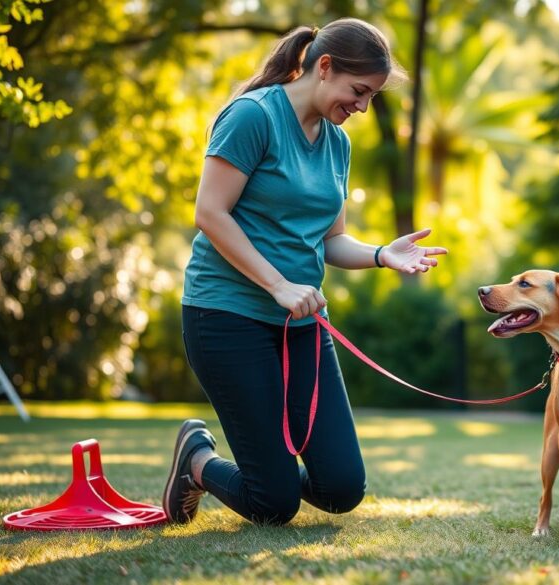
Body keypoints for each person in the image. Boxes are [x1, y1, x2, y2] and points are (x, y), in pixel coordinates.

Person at [163, 18, 447, 526]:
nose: (362, 107)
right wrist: (277, 284)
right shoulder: (253, 117)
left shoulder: (337, 143)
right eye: (359, 91)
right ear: (324, 67)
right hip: (226, 316)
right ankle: (198, 462)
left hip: (300, 325)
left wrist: (383, 254)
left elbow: (332, 239)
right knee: (274, 503)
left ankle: (247, 472)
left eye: (372, 97)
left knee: (341, 488)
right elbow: (210, 212)